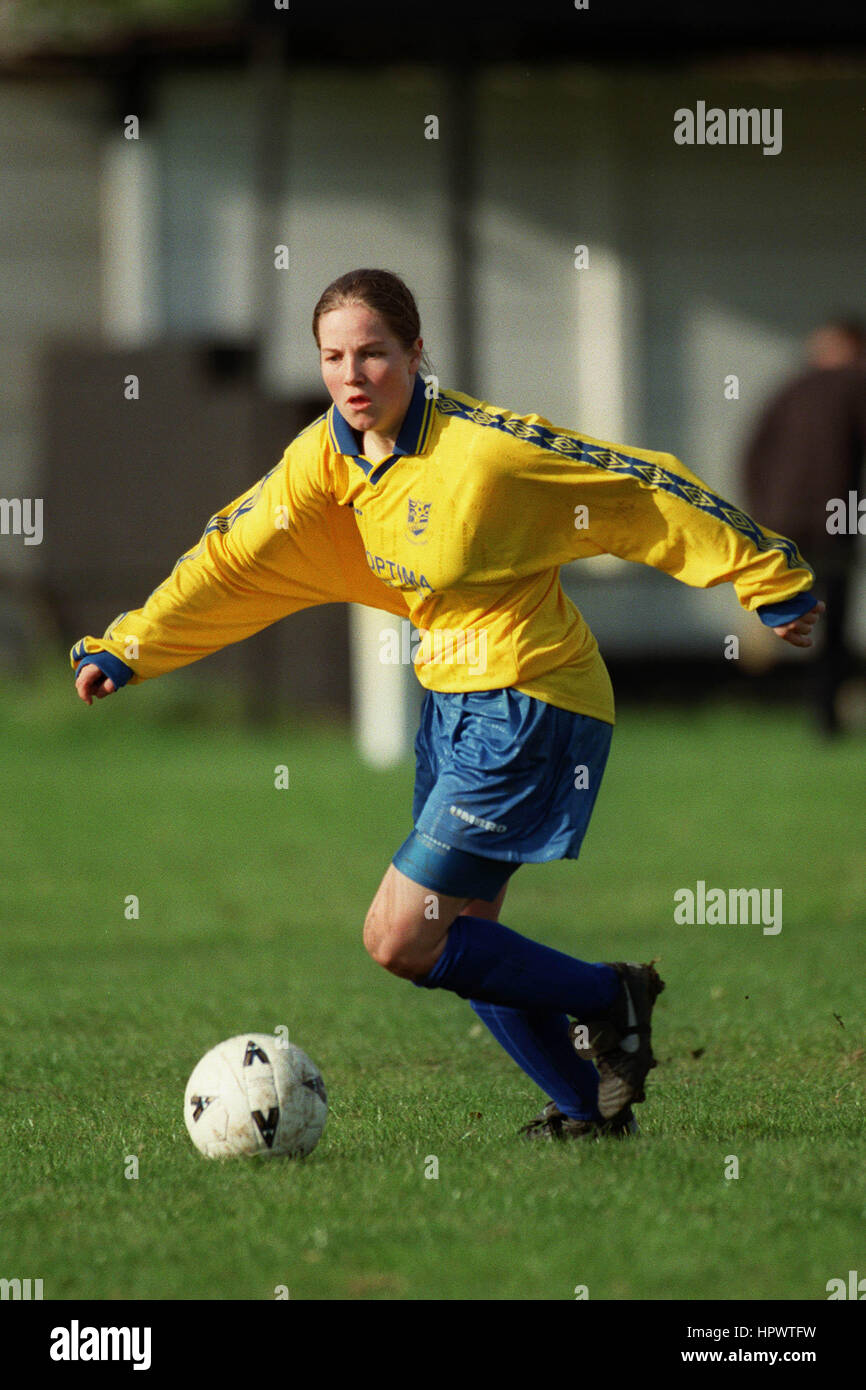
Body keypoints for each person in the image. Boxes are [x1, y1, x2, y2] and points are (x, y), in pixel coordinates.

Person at [72, 268, 823, 1141]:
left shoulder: (486, 452)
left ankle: (608, 997)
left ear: (417, 353)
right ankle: (586, 1112)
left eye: (375, 355)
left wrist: (768, 578)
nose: (353, 378)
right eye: (333, 358)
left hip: (531, 698)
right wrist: (131, 645)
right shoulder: (327, 456)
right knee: (461, 937)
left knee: (399, 940)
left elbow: (640, 484)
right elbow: (232, 551)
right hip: (450, 703)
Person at [743, 318, 866, 735]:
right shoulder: (857, 384)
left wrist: (759, 515)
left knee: (795, 603)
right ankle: (826, 713)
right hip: (834, 521)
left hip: (780, 524)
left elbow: (752, 455)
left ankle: (760, 633)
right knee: (831, 619)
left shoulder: (790, 389)